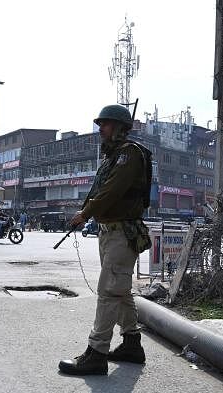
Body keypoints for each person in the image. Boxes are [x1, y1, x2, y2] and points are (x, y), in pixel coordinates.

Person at [58, 104, 153, 376]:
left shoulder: (128, 155)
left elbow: (112, 191)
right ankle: (132, 345)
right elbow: (99, 190)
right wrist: (87, 213)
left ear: (120, 128)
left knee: (109, 291)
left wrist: (84, 213)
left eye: (106, 124)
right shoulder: (112, 158)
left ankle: (96, 353)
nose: (101, 129)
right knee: (119, 290)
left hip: (122, 232)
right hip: (110, 231)